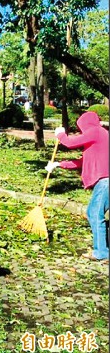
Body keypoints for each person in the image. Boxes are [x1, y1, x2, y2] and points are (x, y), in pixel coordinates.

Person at [46, 111, 109, 262]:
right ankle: (100, 249)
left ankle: (102, 252)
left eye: (82, 128)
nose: (82, 132)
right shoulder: (99, 137)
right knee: (92, 212)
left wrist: (61, 135)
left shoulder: (96, 131)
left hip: (105, 181)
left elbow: (70, 143)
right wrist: (58, 164)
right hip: (104, 182)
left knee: (95, 213)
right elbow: (81, 162)